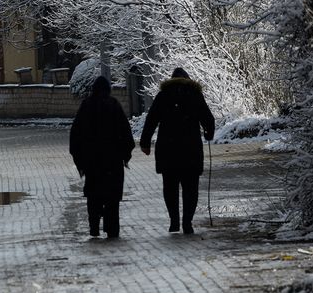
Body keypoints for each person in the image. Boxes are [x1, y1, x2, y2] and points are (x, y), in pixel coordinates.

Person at [139, 67, 215, 234]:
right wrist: (209, 133)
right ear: (187, 79)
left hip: (168, 149)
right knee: (191, 187)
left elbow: (151, 120)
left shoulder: (163, 95)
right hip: (191, 149)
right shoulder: (195, 94)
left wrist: (145, 143)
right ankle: (187, 222)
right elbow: (208, 118)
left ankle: (174, 221)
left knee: (170, 187)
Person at [69, 76, 135, 239]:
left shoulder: (86, 106)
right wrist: (125, 156)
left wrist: (80, 161)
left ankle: (94, 226)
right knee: (112, 197)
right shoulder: (114, 106)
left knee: (94, 195)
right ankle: (112, 228)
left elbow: (75, 136)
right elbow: (126, 134)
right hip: (112, 161)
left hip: (92, 161)